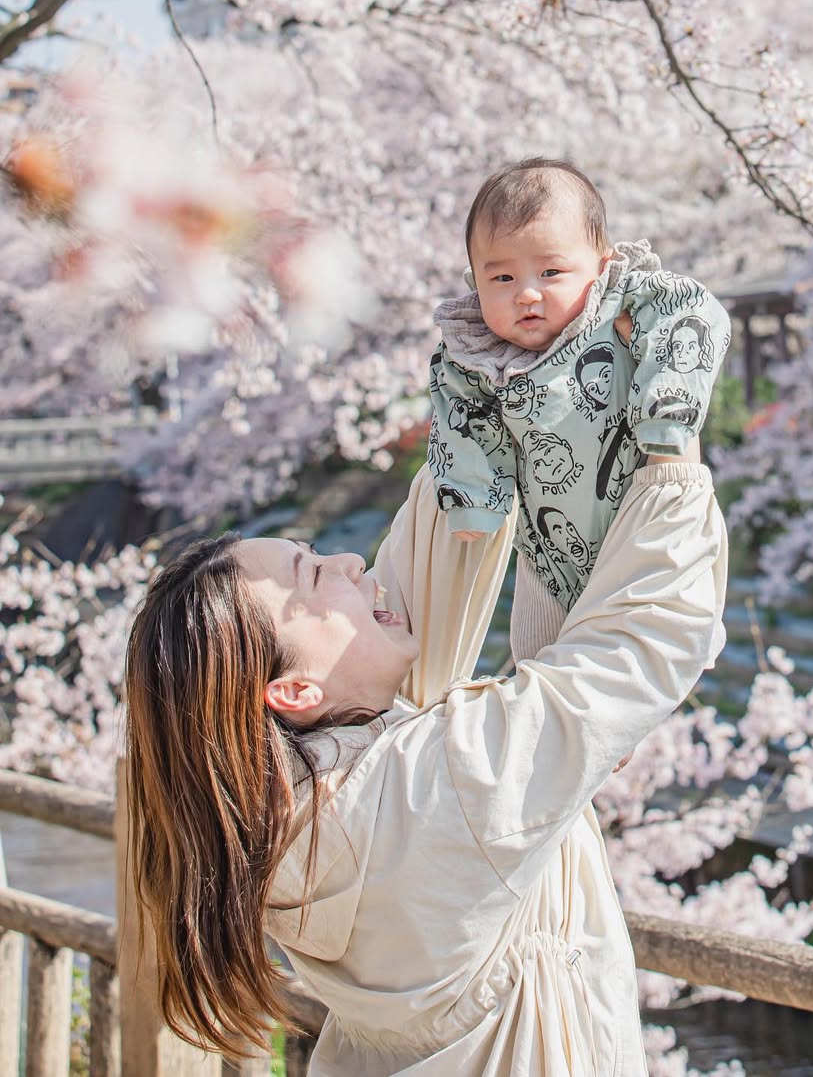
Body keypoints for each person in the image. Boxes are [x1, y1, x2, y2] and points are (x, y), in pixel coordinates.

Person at [124, 453, 727, 1075]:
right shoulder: (429, 792)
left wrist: (480, 383)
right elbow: (637, 648)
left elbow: (436, 550)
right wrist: (669, 446)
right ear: (295, 691)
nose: (351, 563)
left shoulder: (291, 815)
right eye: (313, 577)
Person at [429, 156, 731, 662]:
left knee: (639, 666)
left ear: (601, 264)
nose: (527, 293)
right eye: (501, 278)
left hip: (646, 524)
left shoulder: (622, 304)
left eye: (551, 271)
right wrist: (474, 499)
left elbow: (695, 313)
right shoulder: (474, 356)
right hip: (548, 553)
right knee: (541, 665)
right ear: (474, 281)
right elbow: (461, 421)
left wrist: (664, 410)